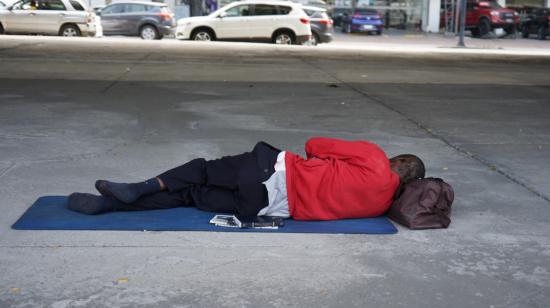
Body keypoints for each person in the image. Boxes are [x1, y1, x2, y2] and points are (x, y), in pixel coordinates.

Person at [68, 137, 425, 220]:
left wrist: (327, 162)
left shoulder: (375, 157)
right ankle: (108, 205)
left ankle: (137, 188)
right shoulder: (381, 206)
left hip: (270, 171)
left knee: (201, 170)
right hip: (266, 208)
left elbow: (314, 144)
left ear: (400, 161)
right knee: (190, 196)